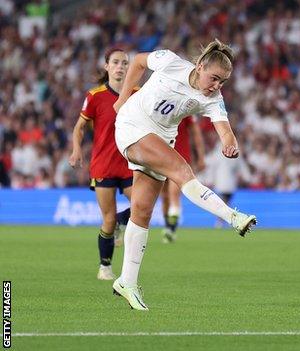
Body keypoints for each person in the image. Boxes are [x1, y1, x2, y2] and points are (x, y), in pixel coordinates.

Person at [111, 39, 257, 310]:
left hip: (162, 138)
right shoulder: (170, 62)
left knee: (141, 212)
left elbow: (224, 128)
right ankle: (232, 216)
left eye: (222, 82)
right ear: (200, 67)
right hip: (132, 125)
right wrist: (121, 99)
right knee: (181, 170)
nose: (216, 86)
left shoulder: (213, 98)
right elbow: (140, 60)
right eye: (214, 78)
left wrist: (229, 142)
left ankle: (126, 282)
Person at [69, 48, 133, 281]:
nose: (120, 66)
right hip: (104, 165)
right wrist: (77, 149)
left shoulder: (136, 94)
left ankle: (120, 222)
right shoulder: (95, 96)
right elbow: (79, 127)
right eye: (115, 62)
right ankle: (104, 267)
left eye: (124, 63)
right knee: (107, 219)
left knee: (143, 205)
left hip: (129, 163)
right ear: (107, 66)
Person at [161, 116, 206, 243]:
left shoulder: (184, 109)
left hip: (179, 158)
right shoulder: (156, 104)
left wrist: (201, 156)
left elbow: (196, 133)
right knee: (165, 197)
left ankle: (170, 229)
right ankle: (168, 227)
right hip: (160, 157)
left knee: (173, 196)